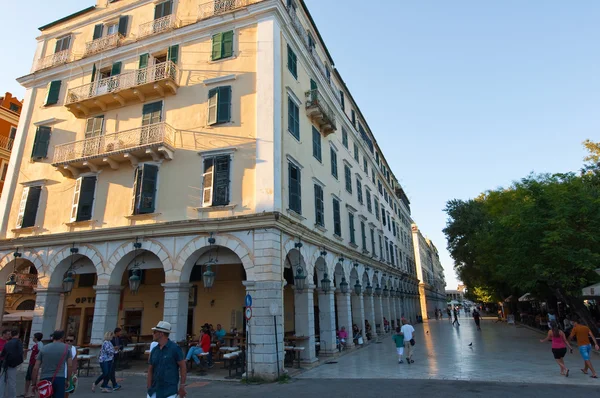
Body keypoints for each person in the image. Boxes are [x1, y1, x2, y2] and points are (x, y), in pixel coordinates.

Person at [147, 321, 186, 398]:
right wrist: (149, 387)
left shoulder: (175, 349)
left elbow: (183, 367)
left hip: (169, 391)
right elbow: (150, 369)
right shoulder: (154, 350)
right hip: (154, 391)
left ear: (161, 333)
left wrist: (182, 386)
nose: (153, 334)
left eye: (155, 332)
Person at [31, 330, 73, 398]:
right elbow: (70, 365)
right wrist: (68, 380)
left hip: (45, 378)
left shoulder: (44, 348)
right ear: (62, 337)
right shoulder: (67, 348)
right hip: (60, 378)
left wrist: (34, 383)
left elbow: (36, 368)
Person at [0, 329, 23, 398]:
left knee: (2, 382)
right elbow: (20, 353)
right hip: (12, 365)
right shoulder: (18, 342)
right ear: (18, 334)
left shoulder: (7, 343)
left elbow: (2, 354)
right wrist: (18, 362)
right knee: (12, 383)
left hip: (4, 364)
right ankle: (12, 396)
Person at [24, 332, 43, 398]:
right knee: (28, 378)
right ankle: (26, 392)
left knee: (33, 378)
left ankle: (33, 393)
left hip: (34, 364)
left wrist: (38, 357)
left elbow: (41, 352)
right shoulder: (36, 345)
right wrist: (25, 350)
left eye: (34, 337)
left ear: (36, 338)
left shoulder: (40, 345)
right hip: (31, 363)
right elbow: (31, 349)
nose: (33, 338)